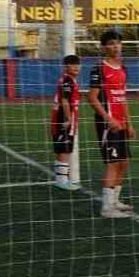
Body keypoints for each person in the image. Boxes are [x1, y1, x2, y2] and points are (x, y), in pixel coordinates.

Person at [86, 29, 136, 217]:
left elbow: (123, 98)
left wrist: (129, 124)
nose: (115, 47)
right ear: (104, 47)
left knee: (124, 162)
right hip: (108, 124)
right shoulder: (99, 68)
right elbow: (92, 98)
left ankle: (115, 201)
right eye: (111, 44)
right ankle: (107, 209)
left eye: (117, 43)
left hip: (121, 123)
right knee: (113, 163)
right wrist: (109, 119)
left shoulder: (123, 68)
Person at [49, 54, 82, 190]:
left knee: (63, 148)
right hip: (63, 118)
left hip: (61, 118)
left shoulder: (68, 80)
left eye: (77, 64)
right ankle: (62, 181)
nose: (76, 67)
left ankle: (61, 179)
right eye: (72, 64)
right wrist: (68, 119)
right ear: (66, 66)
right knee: (64, 149)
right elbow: (64, 100)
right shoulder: (67, 80)